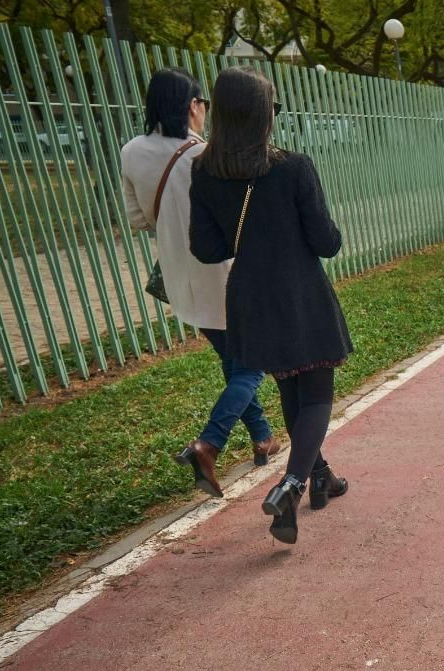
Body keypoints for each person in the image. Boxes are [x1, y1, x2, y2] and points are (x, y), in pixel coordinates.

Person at [190, 66, 351, 545]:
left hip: (249, 297)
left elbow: (208, 248)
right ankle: (293, 484)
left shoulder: (205, 171)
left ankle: (320, 474)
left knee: (290, 387)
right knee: (318, 391)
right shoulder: (293, 167)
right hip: (299, 292)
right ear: (262, 115)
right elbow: (326, 242)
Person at [120, 68, 278, 498]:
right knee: (251, 365)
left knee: (234, 361)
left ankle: (263, 437)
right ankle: (208, 444)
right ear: (192, 105)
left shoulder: (131, 151)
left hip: (180, 277)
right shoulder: (206, 155)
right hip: (224, 272)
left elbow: (137, 219)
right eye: (202, 103)